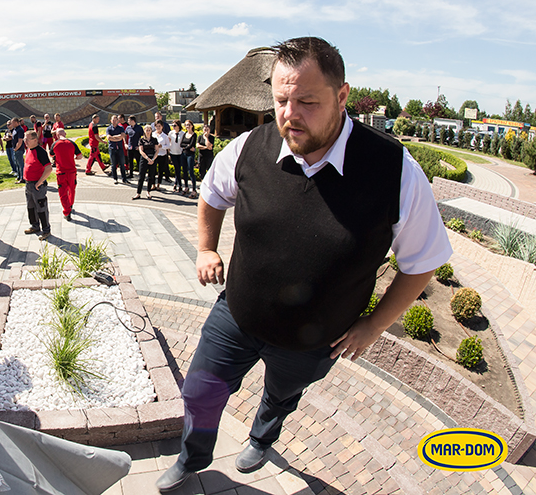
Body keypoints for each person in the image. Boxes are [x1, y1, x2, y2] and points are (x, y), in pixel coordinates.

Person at [155, 37, 451, 492]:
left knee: (281, 394)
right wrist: (206, 248)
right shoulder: (250, 147)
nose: (290, 114)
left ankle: (263, 435)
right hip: (237, 314)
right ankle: (193, 457)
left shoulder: (395, 171)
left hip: (314, 341)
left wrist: (373, 326)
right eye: (280, 100)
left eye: (307, 101)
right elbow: (211, 194)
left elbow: (423, 262)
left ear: (342, 95)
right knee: (199, 392)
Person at [22, 130, 53, 241]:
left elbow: (49, 168)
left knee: (41, 208)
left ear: (35, 140)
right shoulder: (28, 150)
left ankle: (46, 230)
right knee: (30, 207)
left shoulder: (41, 152)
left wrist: (40, 182)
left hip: (37, 186)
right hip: (28, 184)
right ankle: (35, 226)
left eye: (27, 139)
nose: (25, 141)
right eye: (24, 139)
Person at [51, 128, 82, 221]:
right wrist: (74, 158)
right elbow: (80, 156)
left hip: (61, 172)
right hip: (72, 171)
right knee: (72, 189)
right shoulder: (72, 143)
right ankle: (70, 205)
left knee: (62, 192)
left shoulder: (55, 144)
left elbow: (51, 155)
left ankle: (66, 211)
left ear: (56, 135)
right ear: (65, 133)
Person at [132, 124, 158, 200]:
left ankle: (148, 191)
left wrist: (153, 159)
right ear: (144, 131)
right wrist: (147, 158)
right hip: (144, 158)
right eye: (146, 130)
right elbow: (141, 150)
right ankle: (138, 193)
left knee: (151, 176)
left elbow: (157, 150)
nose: (148, 132)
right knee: (141, 176)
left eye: (149, 130)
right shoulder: (141, 140)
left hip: (152, 159)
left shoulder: (154, 139)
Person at [106, 115, 128, 184]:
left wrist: (113, 137)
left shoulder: (121, 128)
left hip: (120, 148)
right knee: (113, 165)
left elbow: (122, 136)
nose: (114, 121)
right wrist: (117, 137)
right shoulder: (109, 129)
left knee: (122, 164)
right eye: (113, 120)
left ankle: (124, 179)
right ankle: (115, 178)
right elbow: (109, 138)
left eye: (115, 120)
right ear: (111, 121)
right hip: (112, 148)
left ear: (117, 121)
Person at [179, 120, 199, 198]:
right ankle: (186, 187)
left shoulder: (194, 135)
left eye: (189, 125)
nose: (187, 126)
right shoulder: (185, 134)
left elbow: (192, 145)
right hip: (183, 154)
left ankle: (194, 189)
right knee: (184, 171)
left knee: (191, 171)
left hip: (190, 155)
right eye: (186, 125)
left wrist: (186, 146)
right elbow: (181, 144)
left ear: (192, 126)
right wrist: (187, 146)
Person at [153, 120, 171, 190]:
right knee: (153, 170)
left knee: (160, 171)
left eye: (159, 126)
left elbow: (168, 146)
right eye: (157, 126)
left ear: (162, 127)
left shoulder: (165, 136)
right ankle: (153, 184)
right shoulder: (153, 134)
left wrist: (162, 146)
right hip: (154, 155)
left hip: (162, 154)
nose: (158, 128)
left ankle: (158, 185)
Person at [167, 120, 184, 193]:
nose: (173, 127)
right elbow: (169, 142)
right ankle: (178, 185)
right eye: (172, 125)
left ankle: (177, 184)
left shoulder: (183, 133)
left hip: (180, 153)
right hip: (173, 152)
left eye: (175, 125)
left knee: (178, 169)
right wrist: (168, 151)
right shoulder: (171, 133)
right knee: (177, 169)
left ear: (179, 126)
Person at [12, 118, 27, 183]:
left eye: (12, 123)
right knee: (17, 163)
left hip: (19, 149)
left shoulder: (20, 129)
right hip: (15, 149)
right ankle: (19, 176)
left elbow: (20, 141)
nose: (11, 124)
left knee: (20, 164)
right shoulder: (15, 129)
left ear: (16, 122)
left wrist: (16, 148)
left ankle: (22, 178)